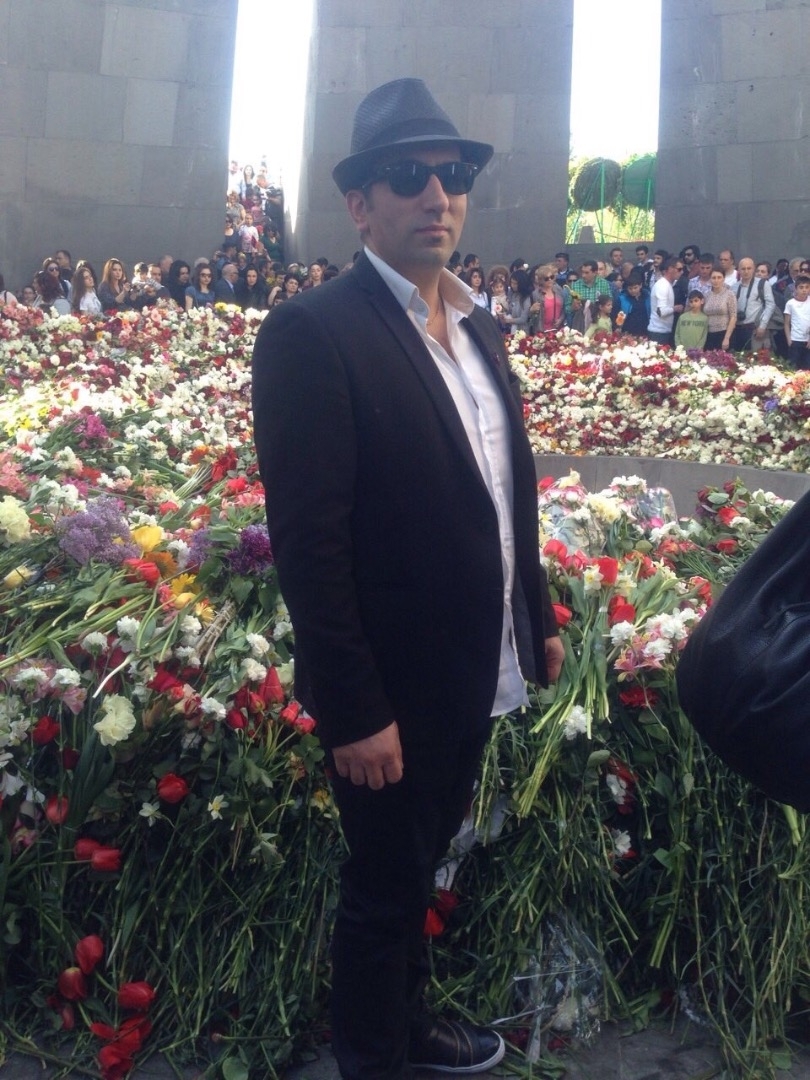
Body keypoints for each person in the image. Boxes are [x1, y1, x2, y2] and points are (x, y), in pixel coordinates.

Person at [251, 77, 563, 1080]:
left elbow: (506, 487)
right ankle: (373, 1056)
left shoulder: (479, 327)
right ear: (359, 204)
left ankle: (407, 1023)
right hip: (389, 692)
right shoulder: (313, 333)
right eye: (407, 176)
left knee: (422, 864)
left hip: (478, 666)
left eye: (454, 174)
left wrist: (536, 616)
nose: (438, 195)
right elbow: (310, 546)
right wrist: (354, 711)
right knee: (386, 887)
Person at [731, 257, 776, 352]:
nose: (746, 271)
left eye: (749, 268)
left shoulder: (762, 284)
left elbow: (770, 305)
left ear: (753, 269)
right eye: (743, 269)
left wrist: (762, 326)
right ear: (738, 270)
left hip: (754, 328)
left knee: (756, 358)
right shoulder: (734, 287)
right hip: (737, 328)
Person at [647, 256, 684, 347]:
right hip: (658, 332)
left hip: (663, 331)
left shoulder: (667, 284)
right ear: (670, 269)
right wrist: (676, 308)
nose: (682, 272)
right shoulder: (662, 285)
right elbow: (661, 311)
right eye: (679, 269)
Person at [703, 265, 737, 350]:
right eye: (713, 278)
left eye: (719, 277)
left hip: (724, 333)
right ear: (710, 279)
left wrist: (726, 338)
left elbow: (733, 317)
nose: (716, 280)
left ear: (723, 279)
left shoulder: (729, 294)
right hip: (708, 334)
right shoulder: (706, 295)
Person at [528, 263, 565, 332]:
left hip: (559, 330)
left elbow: (564, 309)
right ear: (541, 280)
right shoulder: (536, 294)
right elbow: (530, 317)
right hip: (542, 331)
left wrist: (561, 319)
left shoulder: (558, 290)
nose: (550, 280)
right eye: (546, 279)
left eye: (552, 277)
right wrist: (531, 310)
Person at [784, 274, 810, 369]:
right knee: (793, 367)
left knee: (807, 368)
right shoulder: (790, 303)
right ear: (795, 289)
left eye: (807, 287)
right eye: (801, 287)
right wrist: (789, 340)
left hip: (807, 340)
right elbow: (786, 324)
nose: (804, 290)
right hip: (795, 340)